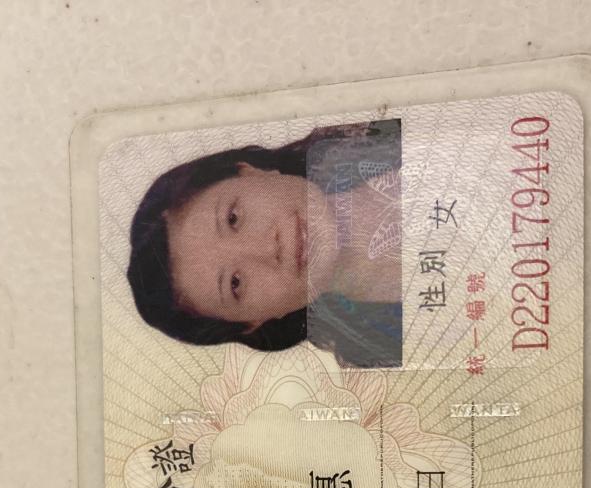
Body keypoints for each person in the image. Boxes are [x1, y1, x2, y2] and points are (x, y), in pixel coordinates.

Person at [127, 120, 404, 368]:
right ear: (253, 322)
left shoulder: (396, 127)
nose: (268, 249)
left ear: (250, 172)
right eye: (235, 283)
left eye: (233, 218)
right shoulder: (390, 352)